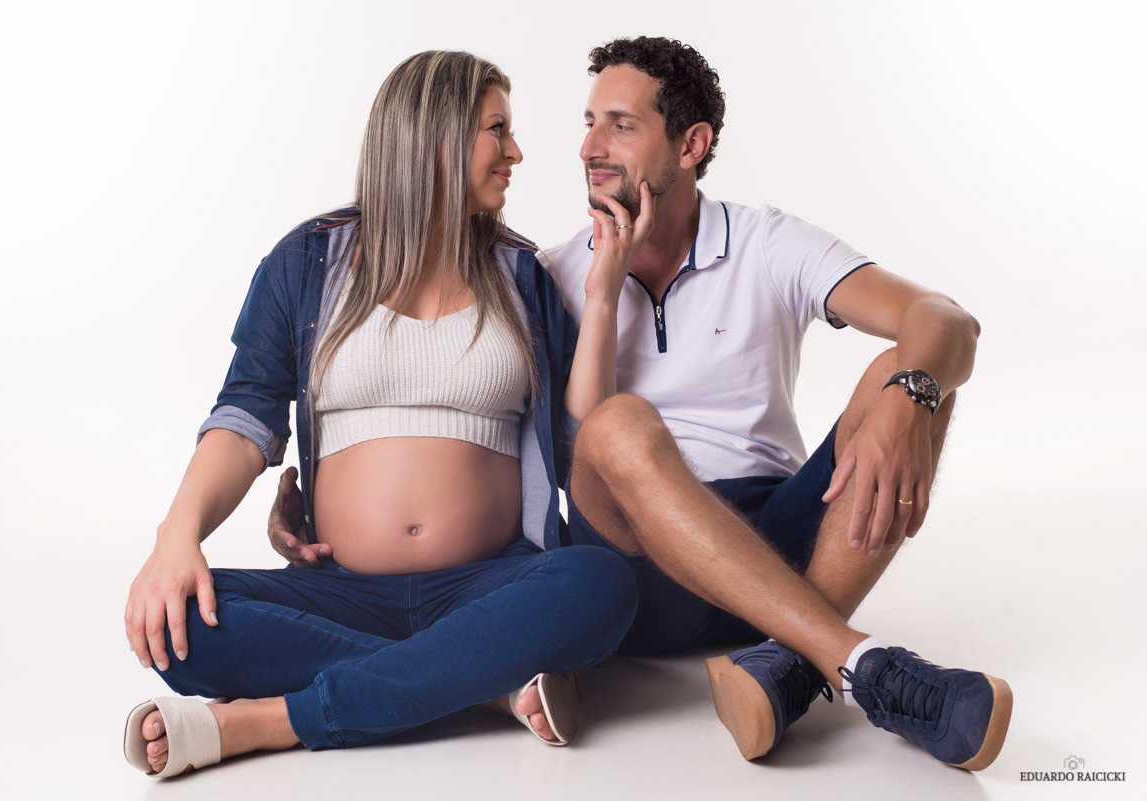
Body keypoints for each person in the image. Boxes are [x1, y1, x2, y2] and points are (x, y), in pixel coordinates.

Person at [270, 38, 1013, 771]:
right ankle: (850, 659)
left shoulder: (766, 243)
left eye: (621, 126)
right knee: (616, 423)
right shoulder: (552, 272)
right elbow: (507, 432)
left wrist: (909, 396)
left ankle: (788, 666)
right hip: (638, 565)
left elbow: (945, 319)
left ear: (691, 145)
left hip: (780, 533)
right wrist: (338, 495)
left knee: (906, 368)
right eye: (589, 123)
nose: (590, 147)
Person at [122, 50, 650, 779]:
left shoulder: (522, 274)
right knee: (177, 620)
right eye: (497, 129)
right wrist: (175, 539)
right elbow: (243, 419)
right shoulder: (306, 263)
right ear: (435, 137)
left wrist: (603, 297)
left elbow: (582, 445)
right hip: (338, 590)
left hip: (489, 586)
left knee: (600, 583)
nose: (517, 153)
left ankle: (271, 722)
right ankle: (484, 685)